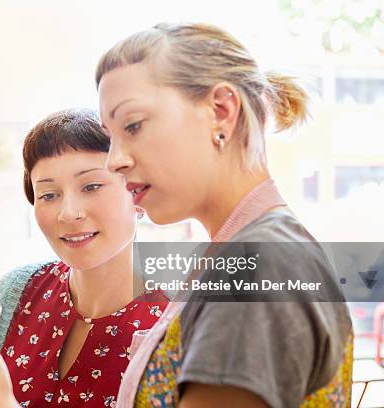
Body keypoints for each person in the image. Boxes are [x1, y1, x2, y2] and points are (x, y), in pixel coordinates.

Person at [95, 22, 353, 407]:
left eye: (133, 125)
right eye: (110, 136)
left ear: (222, 111)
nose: (115, 160)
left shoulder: (257, 265)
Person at [0, 108, 168, 408]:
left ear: (137, 193)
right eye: (48, 195)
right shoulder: (15, 291)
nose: (68, 212)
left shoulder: (178, 316)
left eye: (91, 186)